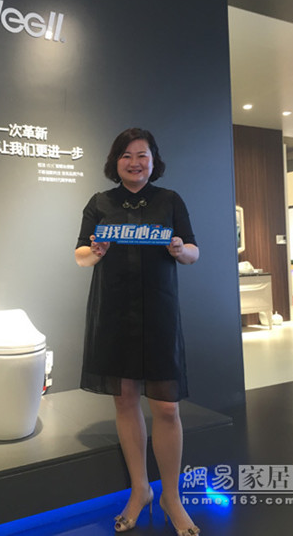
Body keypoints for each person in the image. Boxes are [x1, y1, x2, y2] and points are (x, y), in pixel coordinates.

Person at [75, 128, 200, 535]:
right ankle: (140, 489)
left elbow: (194, 252)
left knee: (167, 408)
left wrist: (180, 249)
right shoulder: (100, 202)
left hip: (159, 312)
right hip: (114, 311)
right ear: (115, 161)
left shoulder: (170, 200)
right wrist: (95, 252)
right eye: (126, 155)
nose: (134, 162)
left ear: (153, 160)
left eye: (142, 155)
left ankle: (171, 497)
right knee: (125, 401)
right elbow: (80, 255)